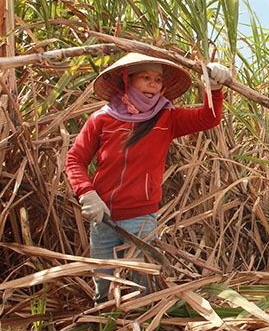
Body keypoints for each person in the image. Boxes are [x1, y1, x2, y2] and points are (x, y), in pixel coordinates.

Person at [65, 52, 231, 304]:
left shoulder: (167, 119)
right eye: (145, 77)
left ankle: (145, 327)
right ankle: (105, 327)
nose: (153, 84)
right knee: (104, 281)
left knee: (143, 285)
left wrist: (215, 88)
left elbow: (209, 118)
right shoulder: (102, 119)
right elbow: (75, 159)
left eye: (157, 79)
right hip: (103, 215)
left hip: (140, 218)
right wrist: (87, 193)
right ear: (127, 80)